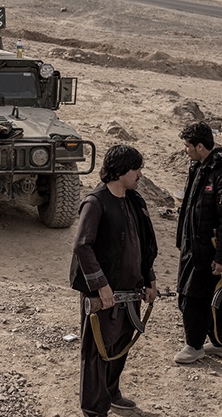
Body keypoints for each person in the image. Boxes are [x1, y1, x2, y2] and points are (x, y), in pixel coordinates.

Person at [70, 145, 158, 416]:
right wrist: (101, 286)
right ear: (120, 171)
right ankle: (95, 410)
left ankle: (112, 393)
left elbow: (145, 244)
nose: (140, 174)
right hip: (104, 296)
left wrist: (150, 279)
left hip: (130, 295)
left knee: (119, 347)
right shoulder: (95, 202)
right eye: (136, 168)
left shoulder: (134, 200)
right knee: (97, 353)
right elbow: (83, 246)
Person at [174, 122, 222, 364]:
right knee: (210, 297)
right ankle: (220, 344)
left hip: (208, 250)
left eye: (187, 146)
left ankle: (194, 346)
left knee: (193, 297)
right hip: (194, 245)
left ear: (200, 146)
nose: (185, 151)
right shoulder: (201, 167)